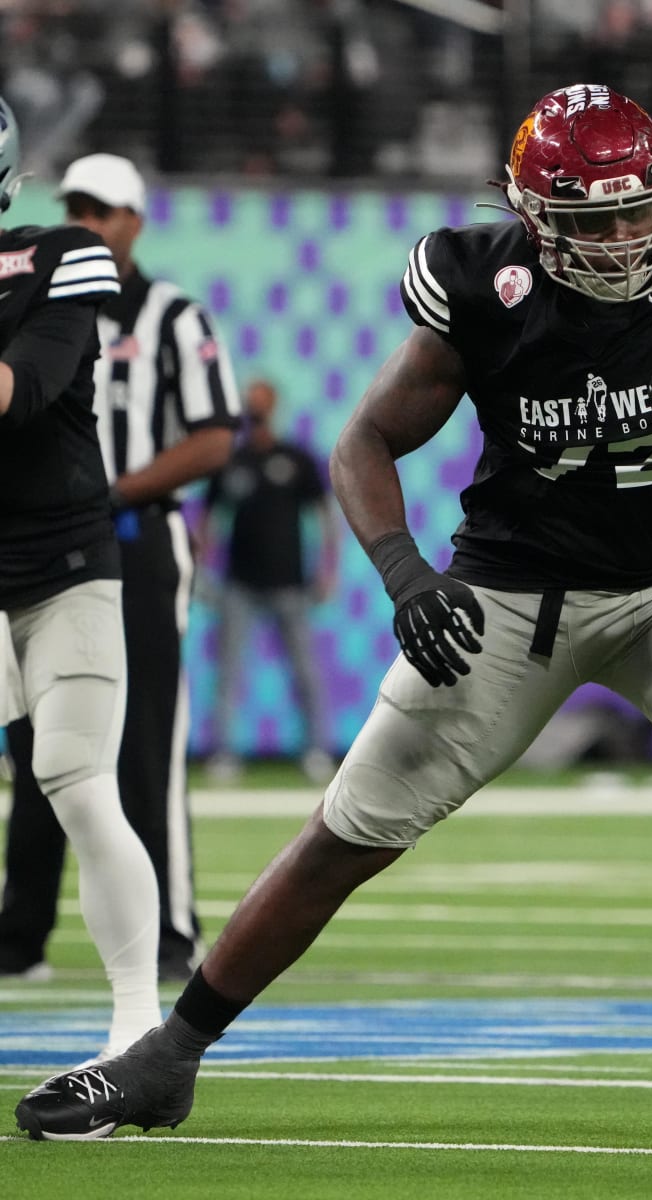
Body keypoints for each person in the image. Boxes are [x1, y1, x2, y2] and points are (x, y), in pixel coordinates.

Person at [15, 82, 652, 1154]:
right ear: (535, 217)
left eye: (641, 210)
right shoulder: (478, 280)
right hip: (514, 591)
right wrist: (407, 576)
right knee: (347, 832)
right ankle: (167, 1056)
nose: (627, 237)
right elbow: (364, 442)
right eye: (594, 221)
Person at [0, 152, 240, 984]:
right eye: (78, 207)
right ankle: (20, 929)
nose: (88, 222)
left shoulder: (174, 315)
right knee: (36, 744)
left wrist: (112, 489)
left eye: (104, 211)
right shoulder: (25, 284)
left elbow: (215, 434)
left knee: (142, 743)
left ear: (135, 221)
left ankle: (170, 929)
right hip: (33, 538)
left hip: (132, 538)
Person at [0, 95, 163, 1060]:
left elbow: (19, 398)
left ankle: (137, 1018)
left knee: (74, 778)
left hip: (62, 566)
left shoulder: (60, 252)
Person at [198, 378, 339, 785]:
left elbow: (325, 515)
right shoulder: (232, 460)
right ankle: (223, 753)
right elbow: (208, 518)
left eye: (260, 406)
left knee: (305, 671)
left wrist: (328, 569)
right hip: (238, 584)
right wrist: (205, 571)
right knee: (228, 671)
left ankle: (316, 750)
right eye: (250, 406)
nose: (254, 414)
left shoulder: (296, 458)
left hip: (290, 584)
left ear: (274, 408)